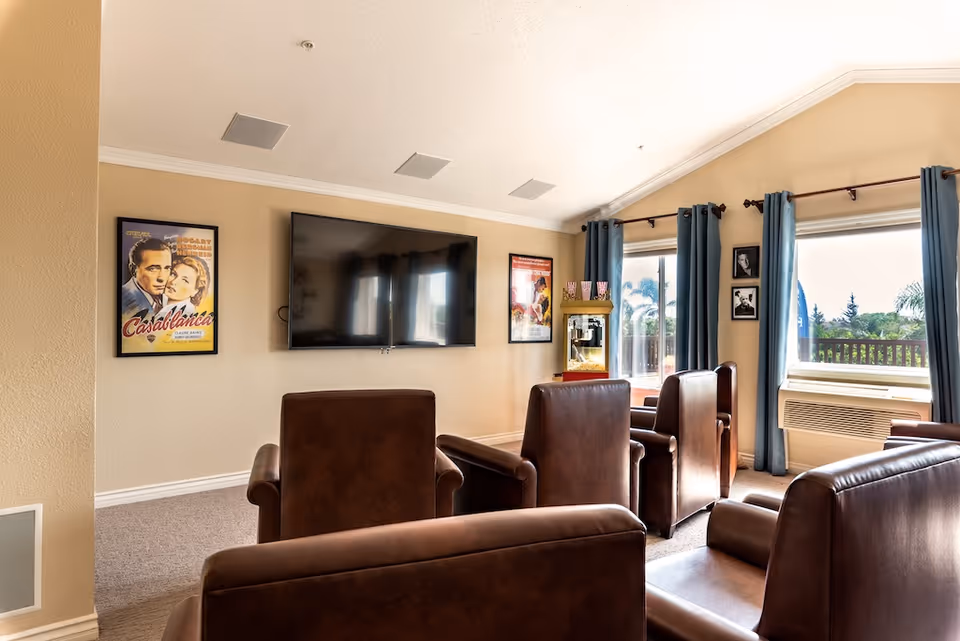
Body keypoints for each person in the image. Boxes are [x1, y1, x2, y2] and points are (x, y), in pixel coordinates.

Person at [121, 237, 172, 317]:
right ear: (133, 270)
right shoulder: (123, 301)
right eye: (153, 269)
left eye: (167, 268)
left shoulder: (172, 297)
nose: (162, 278)